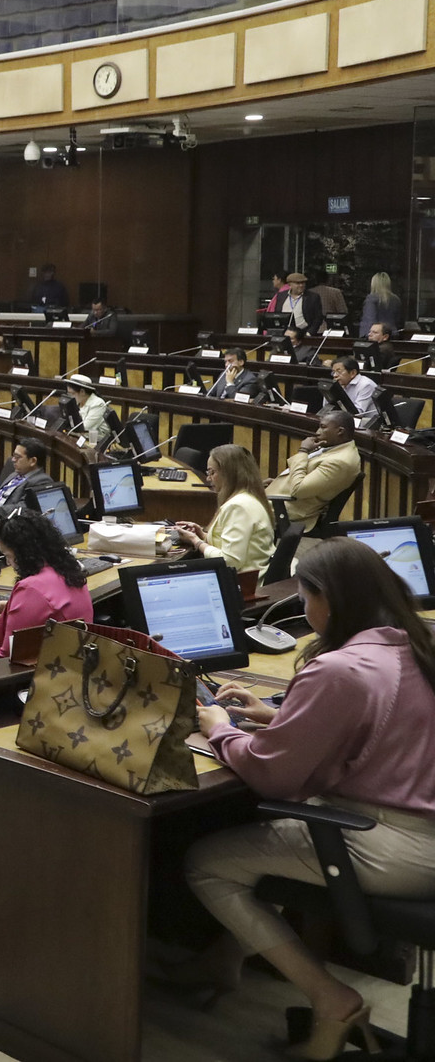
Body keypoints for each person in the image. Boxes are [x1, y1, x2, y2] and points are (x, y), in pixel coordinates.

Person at [179, 537, 435, 1058]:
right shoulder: (414, 645)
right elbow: (383, 730)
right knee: (273, 845)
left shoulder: (340, 669)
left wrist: (220, 729)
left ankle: (332, 999)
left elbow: (273, 777)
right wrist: (279, 717)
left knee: (208, 862)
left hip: (393, 845)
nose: (303, 606)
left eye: (305, 596)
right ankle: (225, 958)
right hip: (421, 832)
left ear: (330, 600)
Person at [0, 513, 90, 656]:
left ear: (23, 553)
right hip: (73, 665)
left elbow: (8, 656)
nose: (8, 563)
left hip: (38, 673)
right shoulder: (69, 571)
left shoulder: (31, 588)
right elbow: (51, 607)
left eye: (7, 555)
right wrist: (1, 606)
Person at [172, 444, 274, 573]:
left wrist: (196, 541)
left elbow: (230, 561)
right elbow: (235, 544)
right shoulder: (248, 497)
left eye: (212, 472)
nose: (208, 478)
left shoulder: (238, 506)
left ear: (229, 473)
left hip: (243, 582)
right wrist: (202, 535)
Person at [267, 410, 362, 530]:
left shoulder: (340, 461)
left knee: (238, 505)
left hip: (288, 509)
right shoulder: (334, 449)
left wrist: (303, 451)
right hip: (280, 498)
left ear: (340, 431)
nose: (317, 432)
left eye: (323, 427)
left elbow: (298, 490)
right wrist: (276, 482)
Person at [0, 437, 57, 519]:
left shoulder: (42, 481)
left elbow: (19, 509)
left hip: (3, 523)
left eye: (17, 457)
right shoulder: (15, 474)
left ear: (32, 461)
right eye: (14, 456)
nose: (13, 460)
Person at [329, 356, 380, 429]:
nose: (335, 375)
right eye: (333, 372)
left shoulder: (366, 385)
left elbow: (358, 413)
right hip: (347, 422)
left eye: (339, 372)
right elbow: (328, 406)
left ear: (353, 373)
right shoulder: (342, 383)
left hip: (368, 426)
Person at [65, 374, 114, 449]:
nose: (70, 397)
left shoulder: (98, 404)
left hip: (99, 443)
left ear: (82, 391)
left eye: (72, 394)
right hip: (82, 438)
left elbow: (84, 427)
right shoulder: (78, 401)